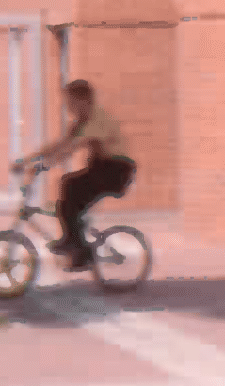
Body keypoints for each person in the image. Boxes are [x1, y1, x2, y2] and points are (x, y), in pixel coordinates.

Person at [13, 80, 136, 272]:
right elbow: (60, 144)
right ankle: (79, 251)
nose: (68, 107)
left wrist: (46, 164)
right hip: (101, 168)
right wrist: (27, 160)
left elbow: (71, 148)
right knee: (69, 194)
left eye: (71, 102)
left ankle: (75, 246)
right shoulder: (81, 122)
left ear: (84, 100)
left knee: (70, 186)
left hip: (116, 170)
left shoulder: (98, 120)